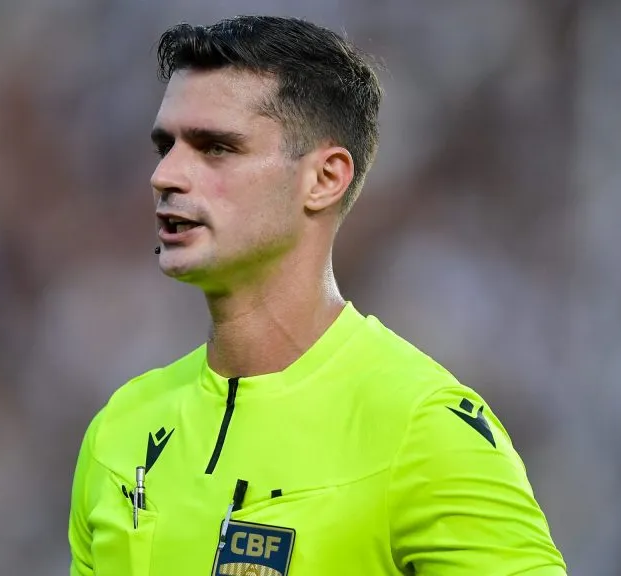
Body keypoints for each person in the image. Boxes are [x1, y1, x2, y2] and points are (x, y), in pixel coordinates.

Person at [68, 15, 566, 576]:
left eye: (216, 148)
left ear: (325, 178)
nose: (166, 175)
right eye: (166, 145)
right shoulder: (121, 429)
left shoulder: (424, 430)